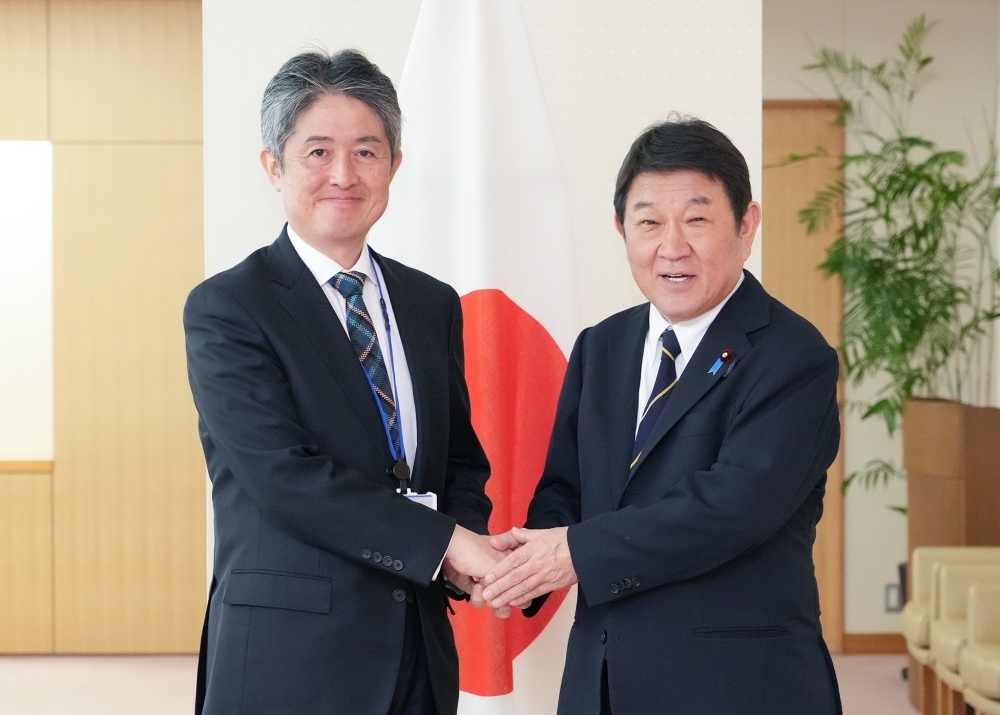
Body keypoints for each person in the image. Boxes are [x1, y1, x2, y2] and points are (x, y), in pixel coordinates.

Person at [481, 117, 843, 715]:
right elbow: (565, 494)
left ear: (746, 224)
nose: (672, 246)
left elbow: (732, 508)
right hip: (601, 684)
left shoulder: (794, 357)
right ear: (622, 229)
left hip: (736, 687)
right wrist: (512, 566)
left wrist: (570, 553)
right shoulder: (602, 346)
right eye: (648, 222)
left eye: (697, 219)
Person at [184, 49, 500, 715]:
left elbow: (459, 460)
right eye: (318, 151)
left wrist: (468, 543)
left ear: (394, 166)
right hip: (289, 658)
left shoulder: (430, 303)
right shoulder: (229, 308)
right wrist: (444, 541)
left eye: (366, 151)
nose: (343, 175)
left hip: (418, 651)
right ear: (274, 166)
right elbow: (284, 477)